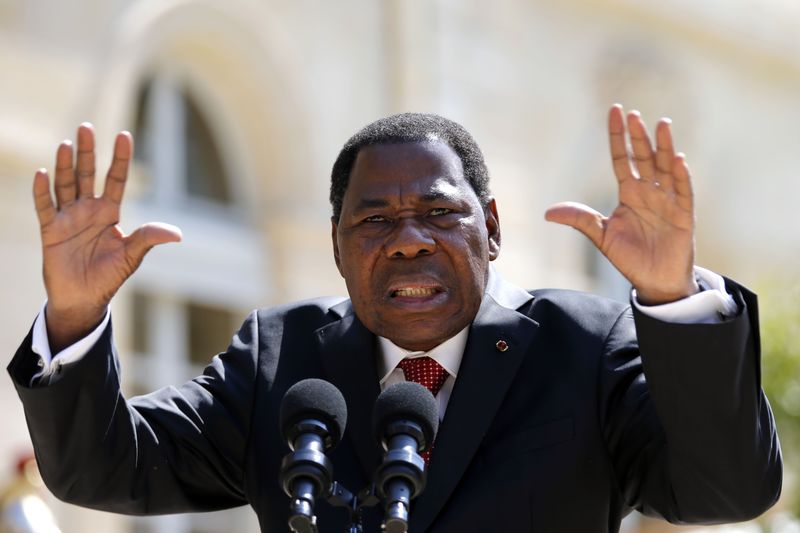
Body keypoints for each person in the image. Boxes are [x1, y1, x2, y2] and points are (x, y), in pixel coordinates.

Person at [7, 106, 782, 532]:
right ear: (338, 247)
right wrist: (75, 313)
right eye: (374, 220)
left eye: (439, 213)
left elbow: (729, 490)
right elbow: (105, 468)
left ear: (494, 230)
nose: (409, 239)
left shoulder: (586, 345)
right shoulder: (278, 357)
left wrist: (675, 302)